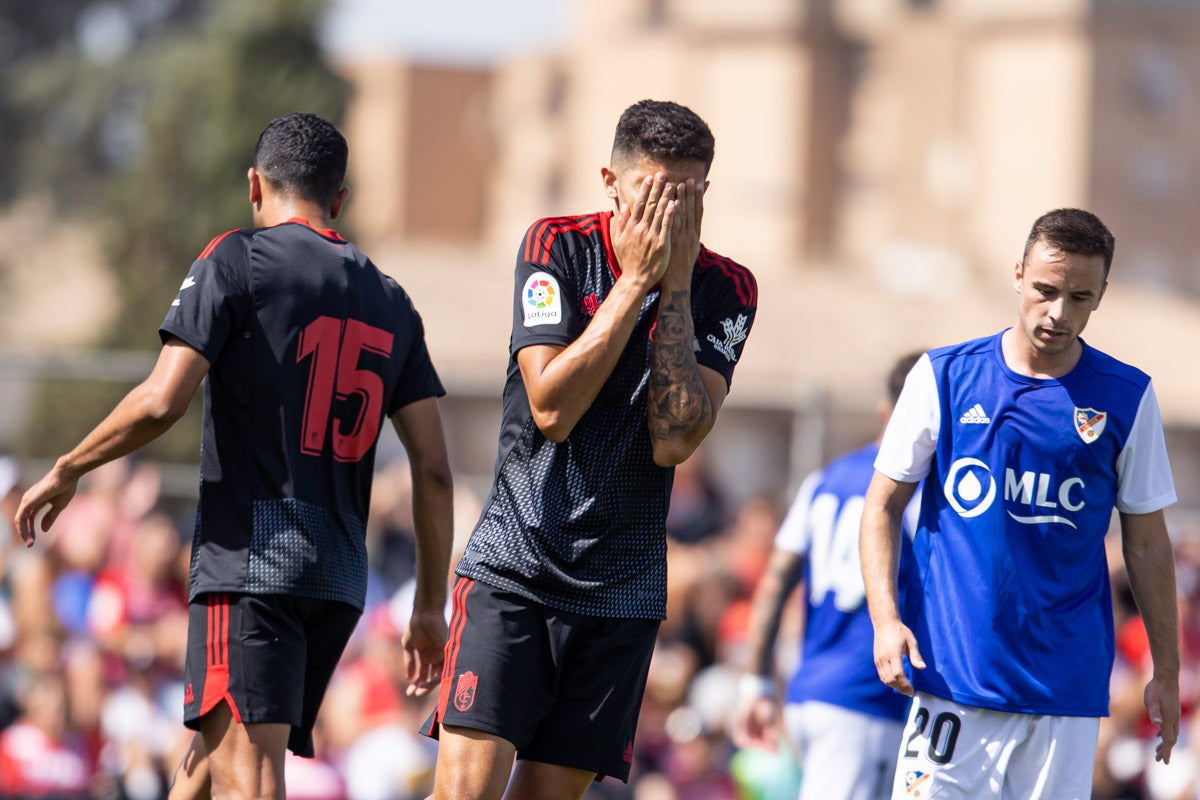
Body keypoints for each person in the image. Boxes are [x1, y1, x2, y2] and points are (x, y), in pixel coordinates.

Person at [13, 112, 455, 800]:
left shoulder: (238, 258)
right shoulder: (392, 298)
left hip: (254, 563)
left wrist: (70, 465)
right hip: (337, 576)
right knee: (216, 750)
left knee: (248, 775)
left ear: (255, 186)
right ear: (339, 199)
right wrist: (430, 605)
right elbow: (431, 465)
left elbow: (163, 401)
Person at [420, 99, 757, 800]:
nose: (667, 215)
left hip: (621, 594)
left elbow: (675, 441)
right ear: (610, 180)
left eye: (685, 197)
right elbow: (550, 408)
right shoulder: (556, 246)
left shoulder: (728, 289)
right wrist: (635, 281)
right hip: (516, 568)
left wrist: (673, 285)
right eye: (651, 194)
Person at [860, 208, 1180, 798]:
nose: (1059, 313)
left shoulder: (1127, 397)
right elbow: (881, 505)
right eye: (1045, 290)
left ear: (1101, 296)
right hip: (952, 678)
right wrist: (884, 620)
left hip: (1064, 691)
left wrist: (1167, 667)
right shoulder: (943, 377)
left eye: (1079, 297)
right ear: (1017, 275)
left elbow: (1147, 540)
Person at [733, 351, 922, 800]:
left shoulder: (825, 478)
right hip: (864, 701)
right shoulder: (919, 492)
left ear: (884, 411)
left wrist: (757, 682)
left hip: (810, 694)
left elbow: (776, 584)